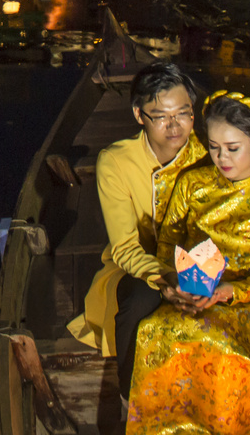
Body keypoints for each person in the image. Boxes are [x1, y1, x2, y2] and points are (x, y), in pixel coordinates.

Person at [127, 92, 250, 435]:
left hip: (240, 302)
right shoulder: (192, 184)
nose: (221, 157)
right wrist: (172, 287)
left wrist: (228, 292)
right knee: (155, 330)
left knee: (221, 345)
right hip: (188, 292)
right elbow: (167, 244)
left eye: (232, 148)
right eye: (214, 147)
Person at [65, 63, 209, 405]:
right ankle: (128, 401)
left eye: (183, 113)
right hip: (137, 264)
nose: (175, 126)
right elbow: (125, 247)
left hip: (198, 261)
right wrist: (164, 278)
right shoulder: (115, 162)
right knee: (138, 302)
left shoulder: (207, 156)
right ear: (138, 115)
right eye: (161, 116)